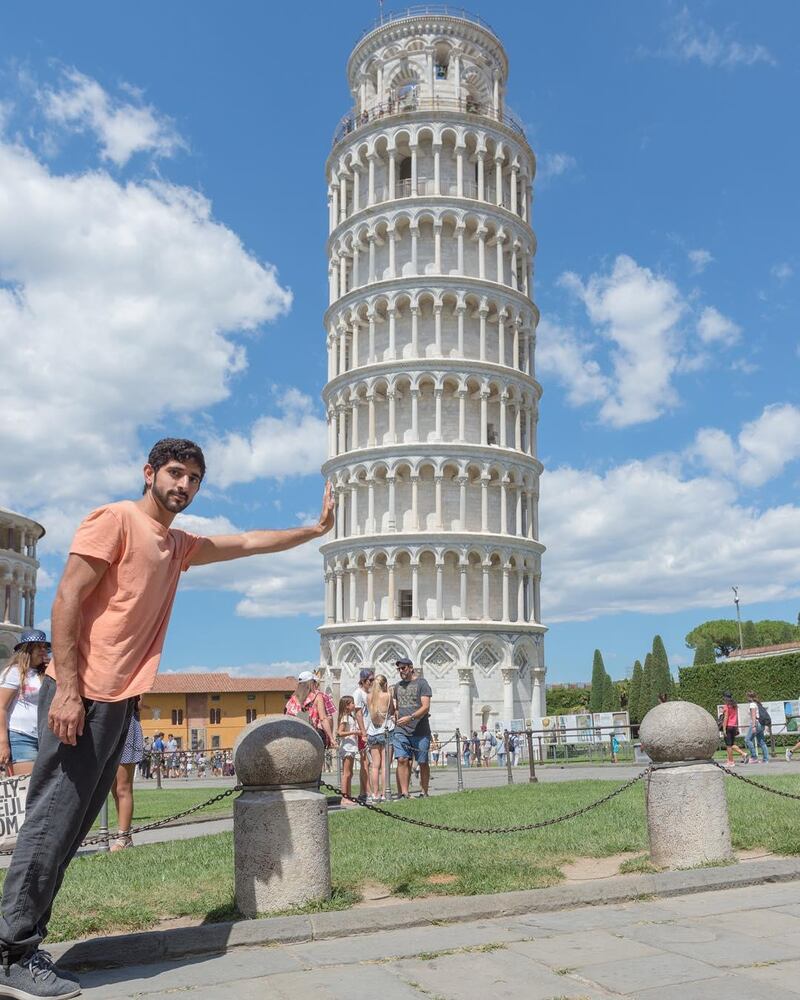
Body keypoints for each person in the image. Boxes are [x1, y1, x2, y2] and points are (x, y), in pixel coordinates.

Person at [0, 437, 334, 999]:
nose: (183, 486)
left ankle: (22, 943)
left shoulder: (175, 544)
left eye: (194, 479)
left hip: (118, 701)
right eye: (175, 473)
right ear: (149, 471)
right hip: (85, 693)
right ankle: (10, 952)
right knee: (52, 823)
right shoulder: (116, 520)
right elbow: (66, 600)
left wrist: (314, 530)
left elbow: (247, 541)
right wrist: (68, 691)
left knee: (72, 829)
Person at [0, 630, 51, 777]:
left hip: (44, 737)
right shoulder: (14, 672)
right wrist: (3, 743)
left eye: (45, 647)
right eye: (39, 647)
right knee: (27, 788)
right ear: (28, 649)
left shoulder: (45, 673)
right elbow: (1, 707)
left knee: (42, 789)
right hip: (20, 736)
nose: (44, 651)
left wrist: (54, 672)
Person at [392, 658, 432, 798]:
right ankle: (404, 793)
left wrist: (411, 718)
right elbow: (397, 707)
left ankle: (424, 791)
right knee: (402, 759)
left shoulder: (422, 683)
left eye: (403, 668)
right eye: (399, 669)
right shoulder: (397, 686)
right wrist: (395, 716)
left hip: (420, 730)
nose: (401, 671)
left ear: (410, 667)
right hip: (401, 730)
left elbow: (426, 706)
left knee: (422, 762)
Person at [109, 697, 145, 850]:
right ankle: (124, 836)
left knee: (122, 788)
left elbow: (140, 704)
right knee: (113, 789)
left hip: (125, 724)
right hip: (106, 726)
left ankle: (124, 838)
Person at [285, 672, 336, 748]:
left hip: (295, 735)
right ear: (311, 683)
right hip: (312, 734)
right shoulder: (317, 696)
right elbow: (323, 718)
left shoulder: (293, 698)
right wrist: (331, 738)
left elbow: (287, 715)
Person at [366, 674, 394, 802]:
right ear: (385, 684)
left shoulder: (369, 697)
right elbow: (392, 711)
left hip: (372, 732)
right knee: (385, 765)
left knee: (374, 766)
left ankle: (374, 794)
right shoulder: (387, 696)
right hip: (386, 730)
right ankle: (384, 793)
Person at [352, 669, 374, 801]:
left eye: (373, 680)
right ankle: (367, 792)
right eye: (370, 680)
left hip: (371, 729)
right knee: (366, 762)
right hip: (363, 730)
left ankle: (364, 791)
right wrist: (363, 732)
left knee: (368, 763)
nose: (372, 683)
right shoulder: (358, 693)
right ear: (363, 680)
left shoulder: (368, 693)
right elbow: (358, 713)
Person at [336, 696, 359, 803]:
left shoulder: (351, 717)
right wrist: (354, 732)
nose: (354, 705)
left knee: (350, 773)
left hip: (352, 746)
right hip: (347, 747)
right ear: (347, 706)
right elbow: (340, 732)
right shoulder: (345, 717)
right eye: (352, 703)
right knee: (346, 773)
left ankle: (348, 796)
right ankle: (344, 797)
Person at [719, 694, 749, 767]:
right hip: (734, 726)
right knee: (732, 744)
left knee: (728, 745)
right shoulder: (734, 706)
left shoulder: (726, 706)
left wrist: (724, 729)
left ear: (725, 698)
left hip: (728, 726)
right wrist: (737, 727)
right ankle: (743, 754)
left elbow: (726, 718)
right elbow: (736, 717)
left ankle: (731, 762)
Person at [745, 690, 770, 763]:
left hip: (756, 723)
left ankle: (754, 757)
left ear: (749, 697)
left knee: (747, 739)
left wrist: (753, 726)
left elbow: (753, 716)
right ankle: (766, 759)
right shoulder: (758, 704)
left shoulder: (752, 704)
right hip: (761, 724)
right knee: (761, 742)